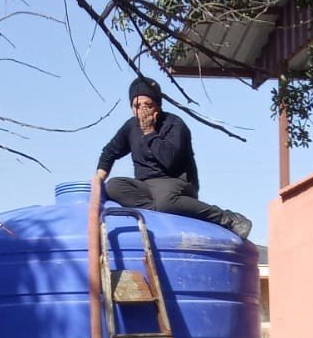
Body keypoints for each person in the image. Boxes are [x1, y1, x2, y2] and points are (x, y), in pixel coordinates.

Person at [96, 76, 253, 240]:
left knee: (165, 201)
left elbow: (168, 160)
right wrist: (98, 179)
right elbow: (109, 152)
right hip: (145, 186)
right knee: (113, 186)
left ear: (157, 105)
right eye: (137, 106)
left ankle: (228, 218)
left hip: (175, 181)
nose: (142, 110)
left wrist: (149, 132)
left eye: (148, 105)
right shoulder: (131, 127)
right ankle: (159, 213)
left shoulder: (174, 124)